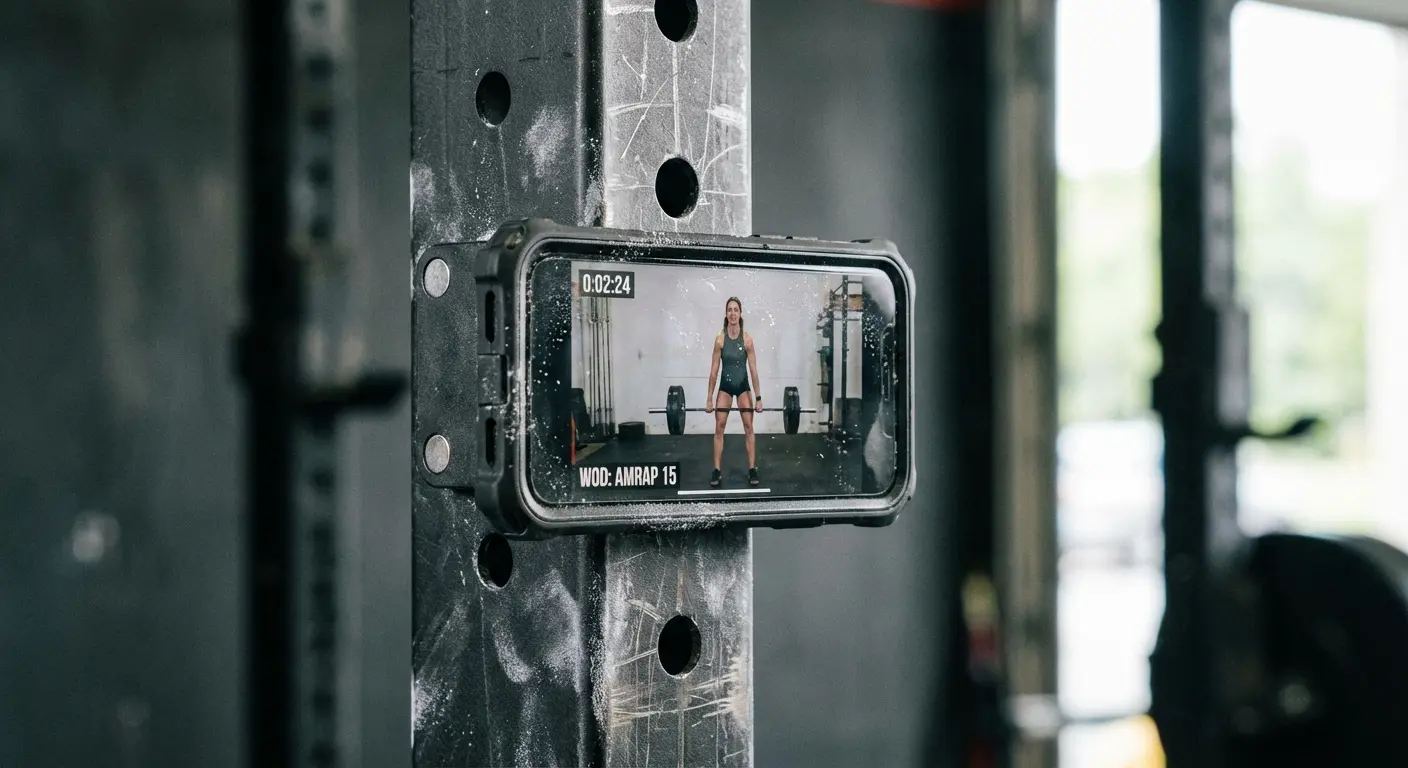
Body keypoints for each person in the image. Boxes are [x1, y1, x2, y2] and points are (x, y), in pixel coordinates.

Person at [704, 296, 763, 487]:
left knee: (748, 427)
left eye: (735, 310)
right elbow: (713, 372)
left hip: (743, 386)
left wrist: (759, 398)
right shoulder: (720, 340)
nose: (732, 313)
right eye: (729, 310)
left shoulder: (747, 339)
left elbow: (753, 370)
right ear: (726, 313)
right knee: (719, 427)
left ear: (740, 313)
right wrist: (709, 399)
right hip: (726, 388)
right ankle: (716, 470)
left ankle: (752, 468)